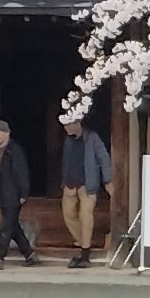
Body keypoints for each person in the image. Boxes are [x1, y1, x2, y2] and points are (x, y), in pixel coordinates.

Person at [57, 107, 111, 264]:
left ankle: (85, 252)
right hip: (70, 182)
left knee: (85, 215)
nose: (66, 128)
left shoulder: (92, 138)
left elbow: (104, 159)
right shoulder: (68, 140)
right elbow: (66, 161)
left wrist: (107, 180)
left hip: (88, 183)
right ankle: (84, 242)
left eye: (69, 125)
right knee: (68, 215)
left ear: (77, 123)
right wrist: (64, 181)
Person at [0, 122, 39, 267]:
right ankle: (30, 254)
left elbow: (22, 173)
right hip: (2, 194)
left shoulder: (15, 151)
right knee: (13, 226)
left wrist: (24, 193)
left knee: (6, 227)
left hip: (13, 194)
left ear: (7, 133)